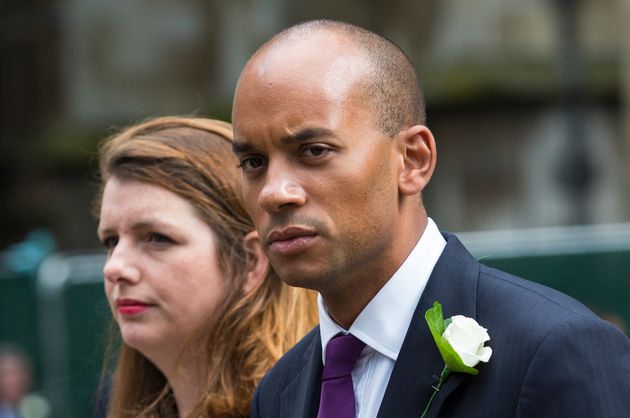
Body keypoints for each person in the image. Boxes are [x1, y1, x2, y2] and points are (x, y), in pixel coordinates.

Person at [230, 20, 630, 418]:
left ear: (412, 161)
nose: (273, 192)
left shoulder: (553, 350)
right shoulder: (280, 391)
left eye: (313, 151)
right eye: (253, 162)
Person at [95, 116, 318, 418]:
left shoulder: (313, 405)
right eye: (110, 242)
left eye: (157, 239)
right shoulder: (111, 404)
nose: (115, 267)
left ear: (250, 261)